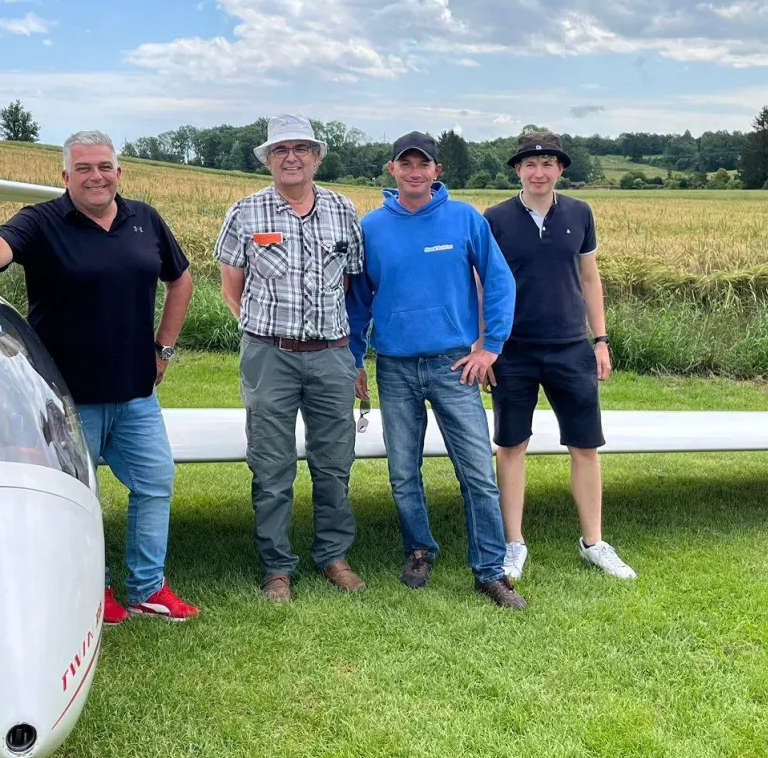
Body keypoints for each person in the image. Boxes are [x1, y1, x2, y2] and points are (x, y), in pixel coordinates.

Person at [0, 130, 201, 624]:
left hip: (136, 394)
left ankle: (147, 587)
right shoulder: (43, 222)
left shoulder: (146, 221)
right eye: (85, 168)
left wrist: (164, 347)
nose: (97, 176)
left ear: (119, 172)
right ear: (65, 176)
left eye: (105, 167)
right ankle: (89, 589)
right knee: (74, 495)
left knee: (156, 483)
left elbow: (180, 279)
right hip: (65, 398)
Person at [348, 131, 525, 609]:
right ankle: (419, 549)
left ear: (436, 171)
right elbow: (359, 301)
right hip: (395, 366)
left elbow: (499, 279)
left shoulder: (464, 218)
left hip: (455, 366)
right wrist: (353, 357)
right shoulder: (372, 227)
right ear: (392, 170)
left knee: (477, 473)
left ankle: (490, 571)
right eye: (405, 163)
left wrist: (491, 346)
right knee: (404, 471)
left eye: (422, 164)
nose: (414, 171)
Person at [214, 114, 368, 603]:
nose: (291, 157)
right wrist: (265, 333)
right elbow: (231, 288)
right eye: (280, 150)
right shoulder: (246, 213)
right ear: (268, 160)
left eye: (301, 148)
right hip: (269, 356)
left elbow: (349, 285)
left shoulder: (344, 212)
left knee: (334, 461)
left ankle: (333, 556)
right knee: (271, 464)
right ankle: (277, 566)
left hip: (331, 356)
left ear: (317, 157)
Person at [484, 131, 636, 582]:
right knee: (511, 446)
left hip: (571, 346)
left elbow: (590, 279)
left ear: (560, 169)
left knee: (584, 445)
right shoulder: (495, 219)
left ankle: (593, 542)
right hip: (512, 350)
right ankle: (514, 544)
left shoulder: (579, 213)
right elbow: (482, 286)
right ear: (517, 170)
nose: (538, 172)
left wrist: (601, 339)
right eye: (530, 164)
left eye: (547, 163)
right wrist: (484, 346)